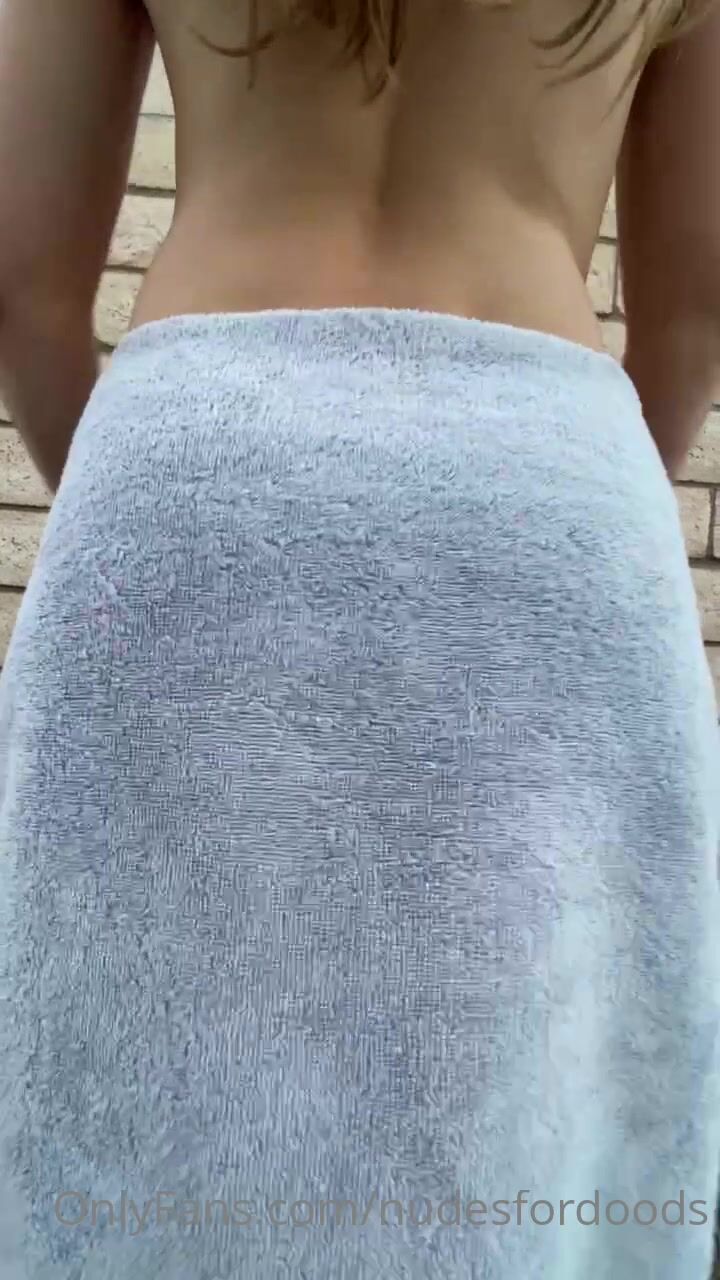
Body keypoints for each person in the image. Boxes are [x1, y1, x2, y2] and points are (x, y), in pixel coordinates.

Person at [0, 1, 718, 1276]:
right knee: (533, 1115)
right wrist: (563, 522)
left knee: (134, 1099)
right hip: (547, 476)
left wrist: (142, 525)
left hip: (195, 461)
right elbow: (691, 321)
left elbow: (18, 285)